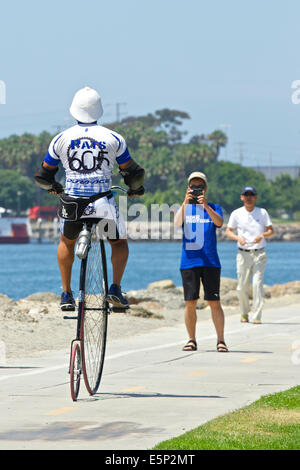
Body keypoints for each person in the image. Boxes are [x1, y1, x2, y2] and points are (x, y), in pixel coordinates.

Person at [34, 86, 145, 311]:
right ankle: (114, 288)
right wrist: (135, 189)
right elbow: (133, 172)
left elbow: (43, 175)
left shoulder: (60, 139)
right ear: (99, 111)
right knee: (119, 243)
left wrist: (55, 187)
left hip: (72, 203)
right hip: (102, 202)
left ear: (74, 111)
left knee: (66, 242)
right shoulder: (114, 138)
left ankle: (66, 294)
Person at [174, 171, 228, 353]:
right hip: (189, 262)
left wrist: (205, 205)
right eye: (193, 186)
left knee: (214, 301)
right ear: (188, 188)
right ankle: (191, 339)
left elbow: (219, 222)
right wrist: (185, 201)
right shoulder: (185, 208)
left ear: (205, 188)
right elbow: (176, 222)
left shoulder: (214, 207)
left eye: (200, 186)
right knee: (191, 301)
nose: (196, 189)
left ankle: (221, 340)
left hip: (211, 262)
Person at [226, 186, 274, 324]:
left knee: (257, 285)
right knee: (241, 287)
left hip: (259, 253)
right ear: (241, 197)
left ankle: (257, 315)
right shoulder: (236, 213)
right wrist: (237, 238)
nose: (248, 197)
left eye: (251, 194)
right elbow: (228, 231)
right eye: (246, 195)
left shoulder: (262, 212)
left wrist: (262, 235)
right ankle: (244, 313)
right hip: (243, 254)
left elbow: (271, 231)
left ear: (255, 197)